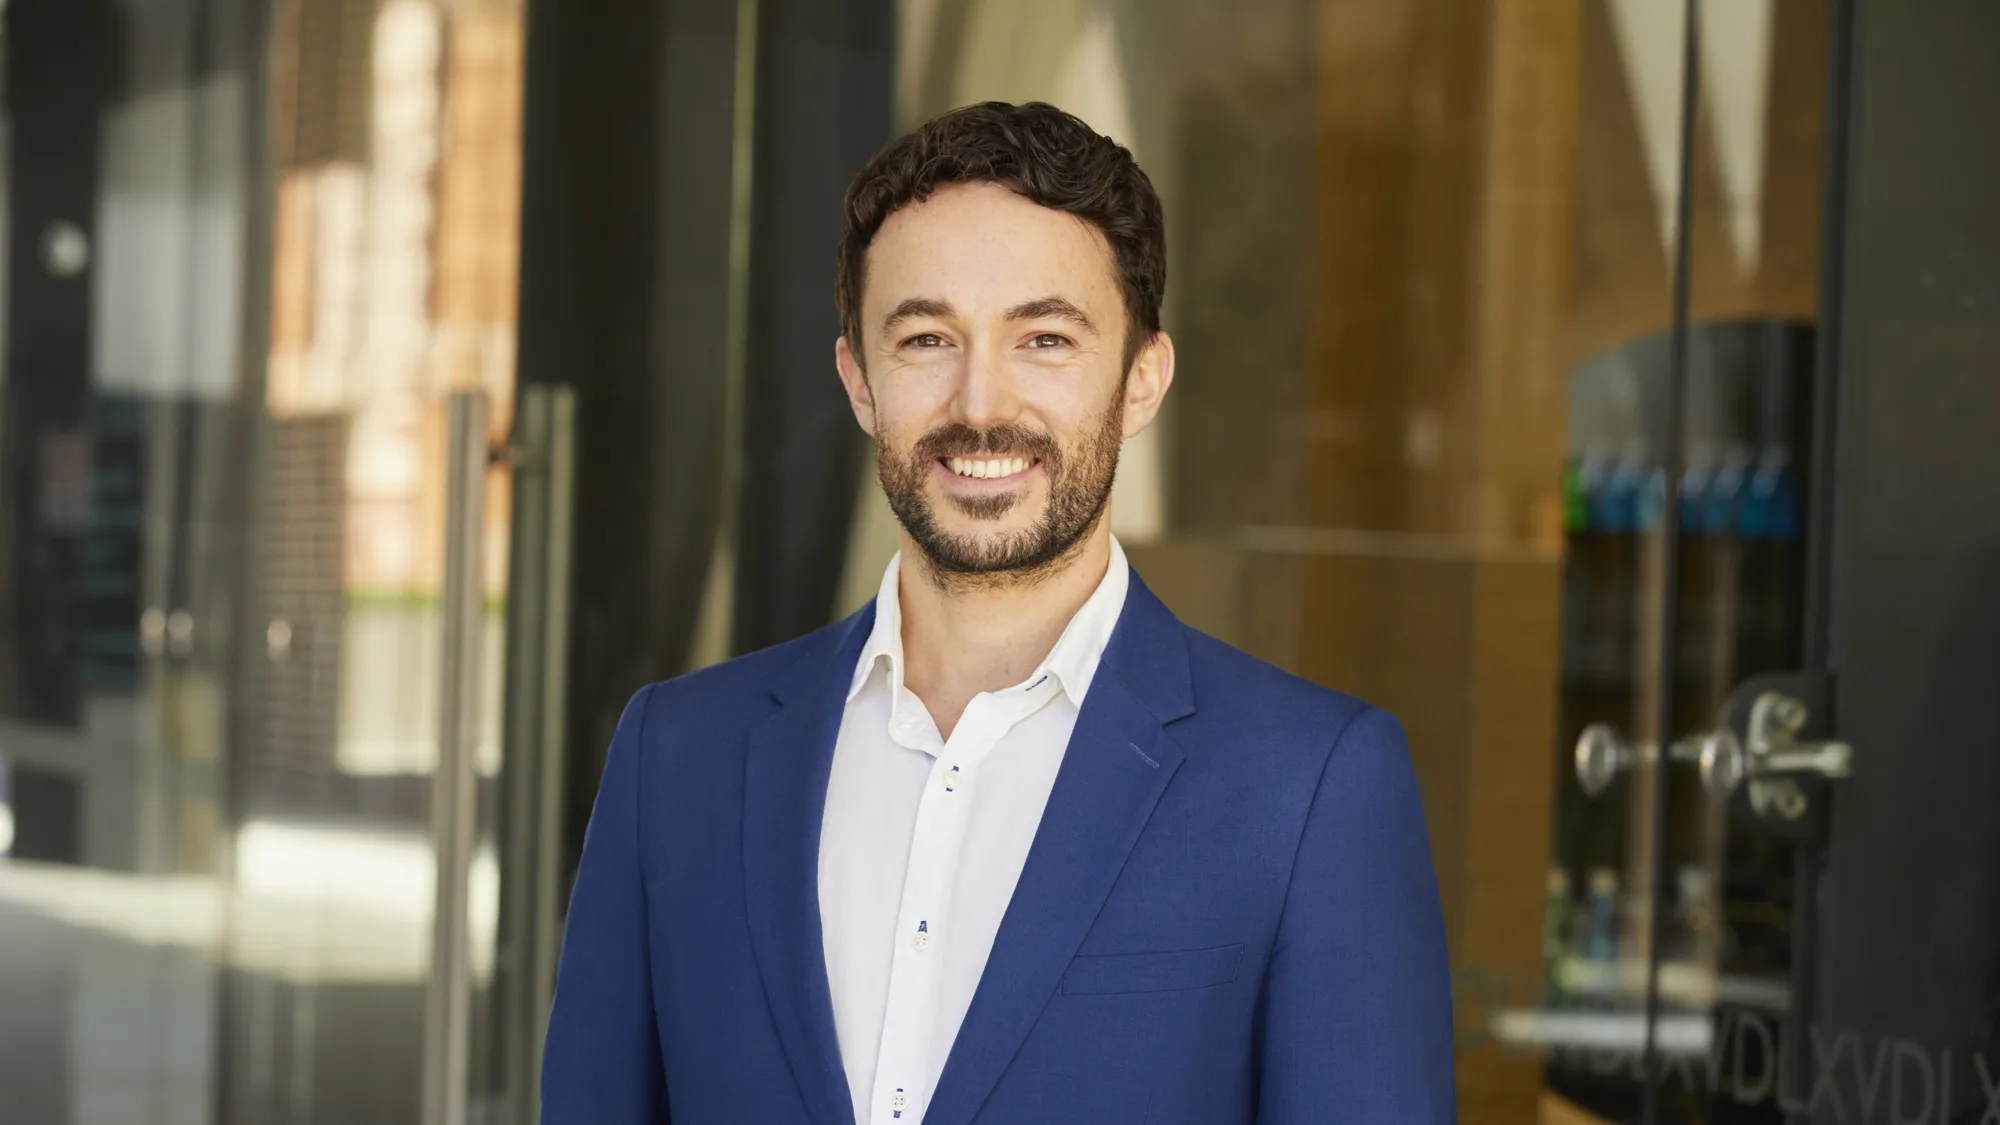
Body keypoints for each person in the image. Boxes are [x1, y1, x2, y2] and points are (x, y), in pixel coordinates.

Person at [542, 101, 1455, 1125]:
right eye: (927, 337)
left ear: (1141, 380)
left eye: (1045, 339)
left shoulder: (1309, 790)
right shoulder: (677, 759)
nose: (981, 404)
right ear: (857, 379)